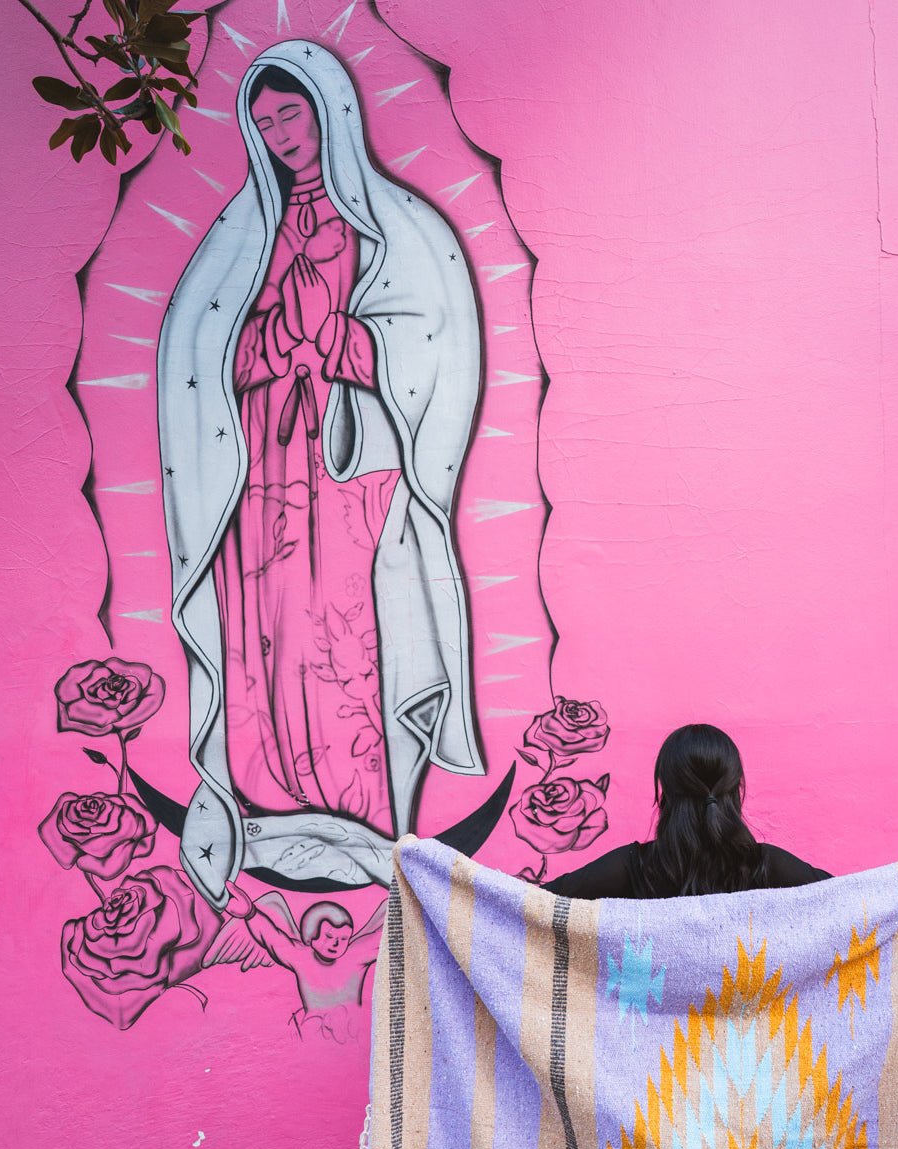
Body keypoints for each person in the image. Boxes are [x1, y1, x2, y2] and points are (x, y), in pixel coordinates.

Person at [159, 41, 483, 909]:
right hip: (261, 459)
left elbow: (428, 339)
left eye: (290, 113)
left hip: (349, 456)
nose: (278, 134)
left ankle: (365, 814)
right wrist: (273, 349)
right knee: (264, 632)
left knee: (347, 629)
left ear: (329, 109)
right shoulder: (244, 234)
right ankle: (267, 798)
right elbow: (202, 346)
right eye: (261, 122)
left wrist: (340, 344)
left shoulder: (395, 225)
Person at [543, 723, 829, 898]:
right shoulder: (767, 865)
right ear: (735, 789)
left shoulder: (634, 868)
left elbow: (535, 904)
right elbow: (854, 901)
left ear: (665, 791)